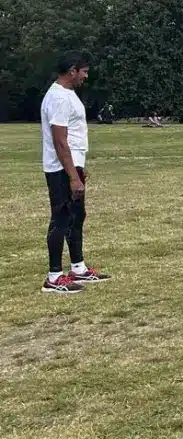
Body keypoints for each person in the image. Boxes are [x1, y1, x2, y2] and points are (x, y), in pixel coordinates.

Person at [40, 51, 110, 294]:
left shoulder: (67, 95)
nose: (86, 76)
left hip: (71, 166)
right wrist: (71, 175)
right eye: (84, 71)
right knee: (61, 218)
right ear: (72, 71)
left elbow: (75, 136)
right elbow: (60, 141)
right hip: (60, 169)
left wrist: (79, 168)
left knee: (76, 216)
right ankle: (53, 277)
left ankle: (78, 267)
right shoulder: (58, 98)